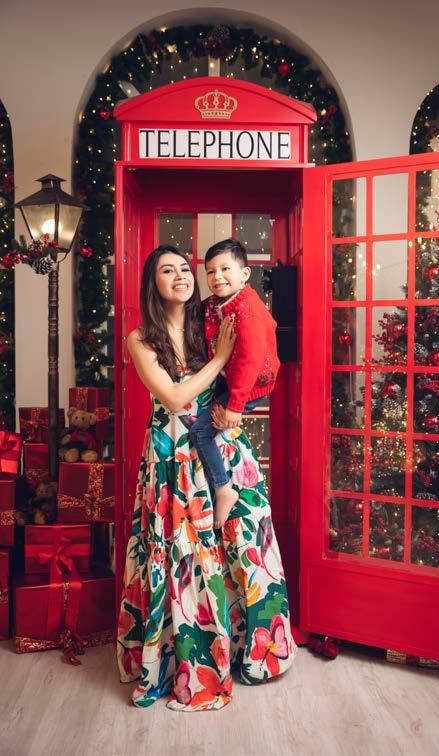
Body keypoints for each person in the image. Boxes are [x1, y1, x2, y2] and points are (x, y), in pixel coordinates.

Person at [117, 245, 297, 711]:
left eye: (184, 267)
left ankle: (254, 654)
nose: (181, 275)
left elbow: (258, 348)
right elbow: (175, 398)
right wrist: (218, 360)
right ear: (153, 283)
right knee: (185, 555)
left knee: (247, 543)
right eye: (167, 270)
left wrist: (241, 399)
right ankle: (185, 661)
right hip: (173, 456)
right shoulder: (141, 339)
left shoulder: (210, 319)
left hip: (222, 444)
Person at [190, 238, 280, 529]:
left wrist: (235, 405)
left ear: (245, 274)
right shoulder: (218, 303)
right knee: (210, 422)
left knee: (201, 432)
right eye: (210, 271)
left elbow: (249, 361)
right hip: (230, 379)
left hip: (249, 386)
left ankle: (223, 487)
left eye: (225, 269)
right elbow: (203, 317)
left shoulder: (247, 310)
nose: (217, 276)